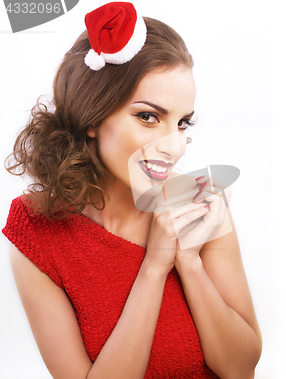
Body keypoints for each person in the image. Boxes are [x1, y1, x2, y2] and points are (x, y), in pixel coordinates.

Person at [2, 2, 261, 378]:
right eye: (148, 117)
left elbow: (242, 370)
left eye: (182, 123)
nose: (174, 146)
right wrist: (154, 267)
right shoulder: (35, 229)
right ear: (92, 116)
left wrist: (189, 264)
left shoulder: (198, 202)